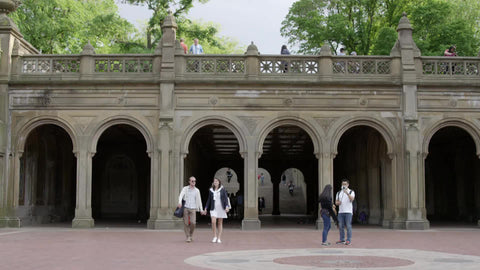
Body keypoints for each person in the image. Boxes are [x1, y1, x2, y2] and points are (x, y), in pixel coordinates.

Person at [203, 178, 230, 243]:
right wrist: (206, 207)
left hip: (221, 208)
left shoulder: (222, 189)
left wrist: (227, 206)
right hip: (213, 209)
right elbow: (209, 200)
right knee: (213, 221)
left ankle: (219, 238)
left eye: (216, 181)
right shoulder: (211, 190)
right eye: (214, 181)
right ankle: (214, 236)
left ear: (219, 182)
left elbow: (226, 199)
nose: (215, 182)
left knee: (220, 223)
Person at [177, 176, 203, 243]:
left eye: (194, 181)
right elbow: (181, 195)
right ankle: (188, 237)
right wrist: (179, 202)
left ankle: (191, 234)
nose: (194, 182)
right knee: (186, 223)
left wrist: (201, 209)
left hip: (193, 208)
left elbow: (199, 200)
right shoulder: (185, 188)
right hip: (186, 207)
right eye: (192, 181)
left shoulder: (197, 190)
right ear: (189, 182)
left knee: (193, 223)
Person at [335, 179, 355, 245]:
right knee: (341, 226)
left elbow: (352, 199)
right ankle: (342, 239)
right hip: (341, 212)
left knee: (348, 226)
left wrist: (347, 193)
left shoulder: (351, 191)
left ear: (348, 185)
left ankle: (348, 240)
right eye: (343, 184)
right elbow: (336, 202)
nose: (344, 185)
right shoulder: (338, 193)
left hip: (348, 212)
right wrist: (338, 203)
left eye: (345, 184)